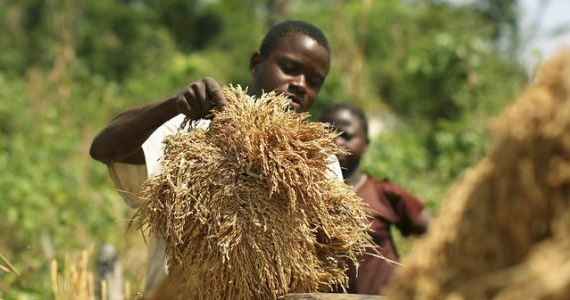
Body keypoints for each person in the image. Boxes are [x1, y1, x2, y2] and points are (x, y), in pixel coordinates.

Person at [89, 20, 342, 296]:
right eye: (290, 69)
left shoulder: (319, 159)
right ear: (257, 63)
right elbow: (104, 149)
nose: (300, 85)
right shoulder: (192, 130)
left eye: (314, 81)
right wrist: (171, 104)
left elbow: (326, 258)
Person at [318, 103, 433, 295]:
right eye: (329, 133)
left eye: (347, 135)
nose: (337, 141)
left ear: (366, 143)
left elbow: (438, 233)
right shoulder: (303, 199)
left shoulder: (383, 194)